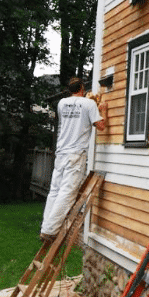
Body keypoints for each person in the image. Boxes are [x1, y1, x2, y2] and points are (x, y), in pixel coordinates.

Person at [40, 77, 107, 242]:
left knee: (55, 191)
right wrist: (102, 110)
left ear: (69, 89)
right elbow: (101, 126)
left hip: (61, 153)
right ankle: (50, 230)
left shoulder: (61, 103)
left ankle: (45, 227)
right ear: (82, 88)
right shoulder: (89, 104)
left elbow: (77, 117)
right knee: (67, 192)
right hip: (75, 155)